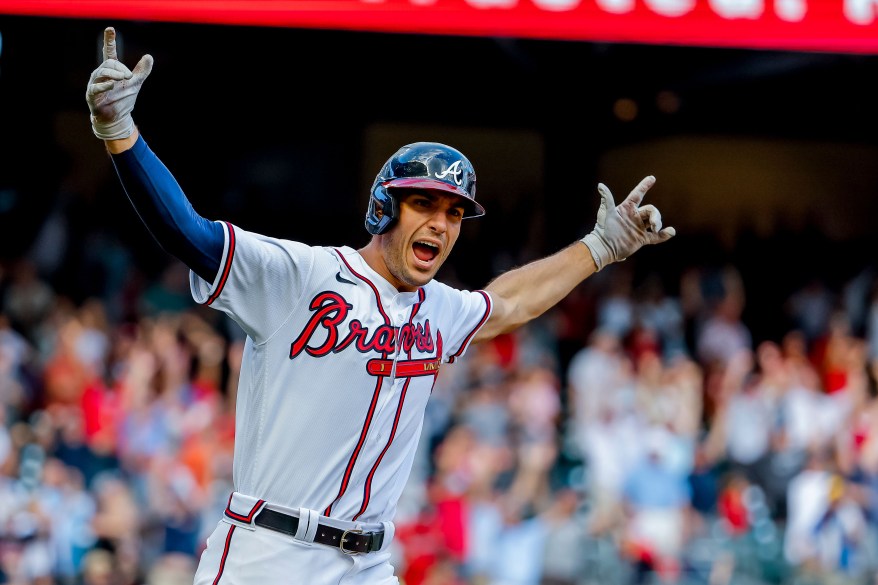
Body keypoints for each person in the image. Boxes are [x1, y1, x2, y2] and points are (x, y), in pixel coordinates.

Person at [85, 26, 676, 585]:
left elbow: (507, 304)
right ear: (384, 210)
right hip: (270, 552)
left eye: (453, 214)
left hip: (366, 562)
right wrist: (121, 133)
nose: (441, 224)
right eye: (424, 203)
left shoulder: (437, 308)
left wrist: (600, 247)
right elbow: (188, 233)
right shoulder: (303, 275)